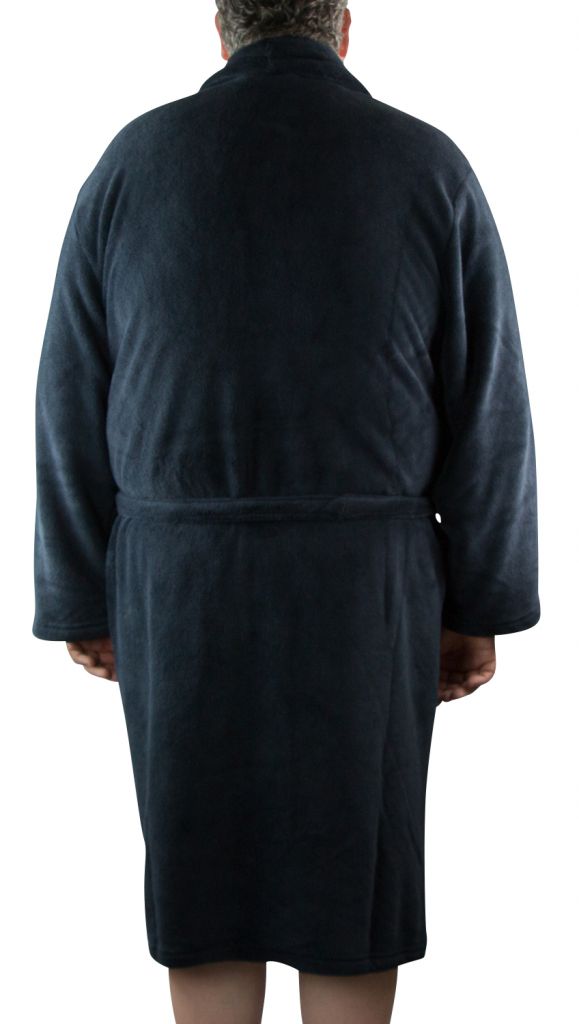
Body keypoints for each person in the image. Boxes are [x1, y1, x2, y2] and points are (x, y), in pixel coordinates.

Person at [32, 2, 540, 1022]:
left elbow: (69, 396)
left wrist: (81, 594)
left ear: (220, 32)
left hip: (179, 588)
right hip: (365, 594)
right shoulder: (426, 165)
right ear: (343, 28)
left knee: (205, 891)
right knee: (351, 894)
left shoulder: (131, 166)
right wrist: (480, 603)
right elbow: (488, 404)